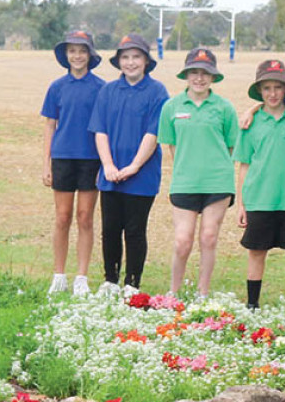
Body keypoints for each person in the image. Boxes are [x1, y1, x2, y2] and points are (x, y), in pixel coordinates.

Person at [88, 34, 169, 292]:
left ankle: (132, 283)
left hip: (141, 176)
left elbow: (153, 133)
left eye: (136, 57)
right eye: (125, 57)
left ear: (146, 61)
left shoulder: (157, 91)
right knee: (110, 229)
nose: (131, 62)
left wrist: (134, 166)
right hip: (110, 174)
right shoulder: (108, 91)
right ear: (118, 61)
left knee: (134, 230)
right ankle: (110, 279)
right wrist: (108, 165)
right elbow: (100, 130)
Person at [158, 47, 239, 296]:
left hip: (218, 183)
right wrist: (188, 167)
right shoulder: (171, 107)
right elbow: (171, 146)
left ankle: (203, 293)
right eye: (194, 72)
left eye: (205, 73)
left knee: (209, 237)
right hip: (185, 183)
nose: (199, 78)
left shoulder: (224, 108)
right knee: (183, 241)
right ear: (186, 75)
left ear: (213, 77)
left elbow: (231, 145)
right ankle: (174, 292)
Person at [233, 60, 285, 309]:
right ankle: (252, 303)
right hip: (259, 198)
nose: (273, 93)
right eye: (267, 88)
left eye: (278, 87)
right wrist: (241, 204)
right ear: (260, 91)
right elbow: (244, 165)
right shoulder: (250, 124)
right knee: (256, 251)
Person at [41, 30, 106, 296]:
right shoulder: (57, 87)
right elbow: (49, 125)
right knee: (62, 217)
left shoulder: (101, 87)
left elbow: (105, 127)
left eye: (82, 51)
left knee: (85, 218)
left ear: (90, 54)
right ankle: (59, 275)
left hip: (90, 159)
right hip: (63, 157)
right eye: (72, 51)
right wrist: (46, 163)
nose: (77, 56)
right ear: (65, 55)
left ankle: (81, 276)